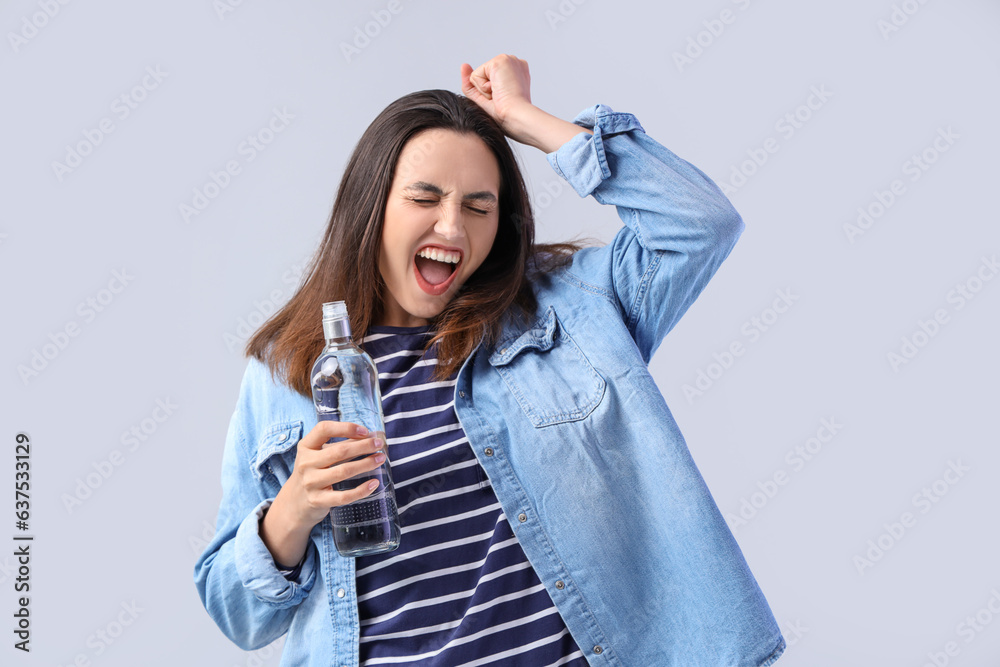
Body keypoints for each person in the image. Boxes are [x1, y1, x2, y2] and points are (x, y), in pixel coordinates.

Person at [194, 54, 786, 666]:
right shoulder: (284, 371)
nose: (451, 228)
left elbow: (700, 223)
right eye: (424, 198)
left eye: (478, 207)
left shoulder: (573, 311)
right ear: (371, 208)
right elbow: (236, 614)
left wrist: (527, 121)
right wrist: (291, 510)